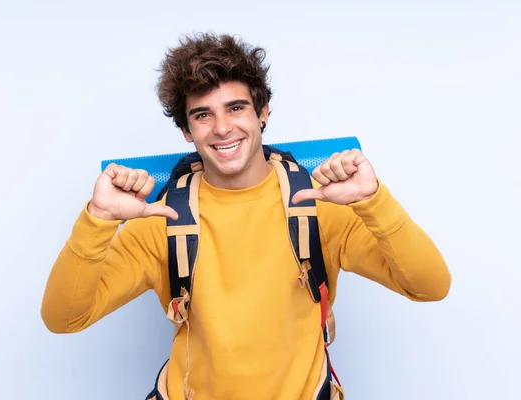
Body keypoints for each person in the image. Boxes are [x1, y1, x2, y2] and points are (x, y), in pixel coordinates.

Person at [40, 32, 451, 400]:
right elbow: (63, 319)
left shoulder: (318, 207)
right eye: (203, 114)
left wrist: (373, 201)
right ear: (187, 131)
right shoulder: (162, 218)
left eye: (236, 108)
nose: (222, 128)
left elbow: (430, 285)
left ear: (263, 113)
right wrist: (98, 219)